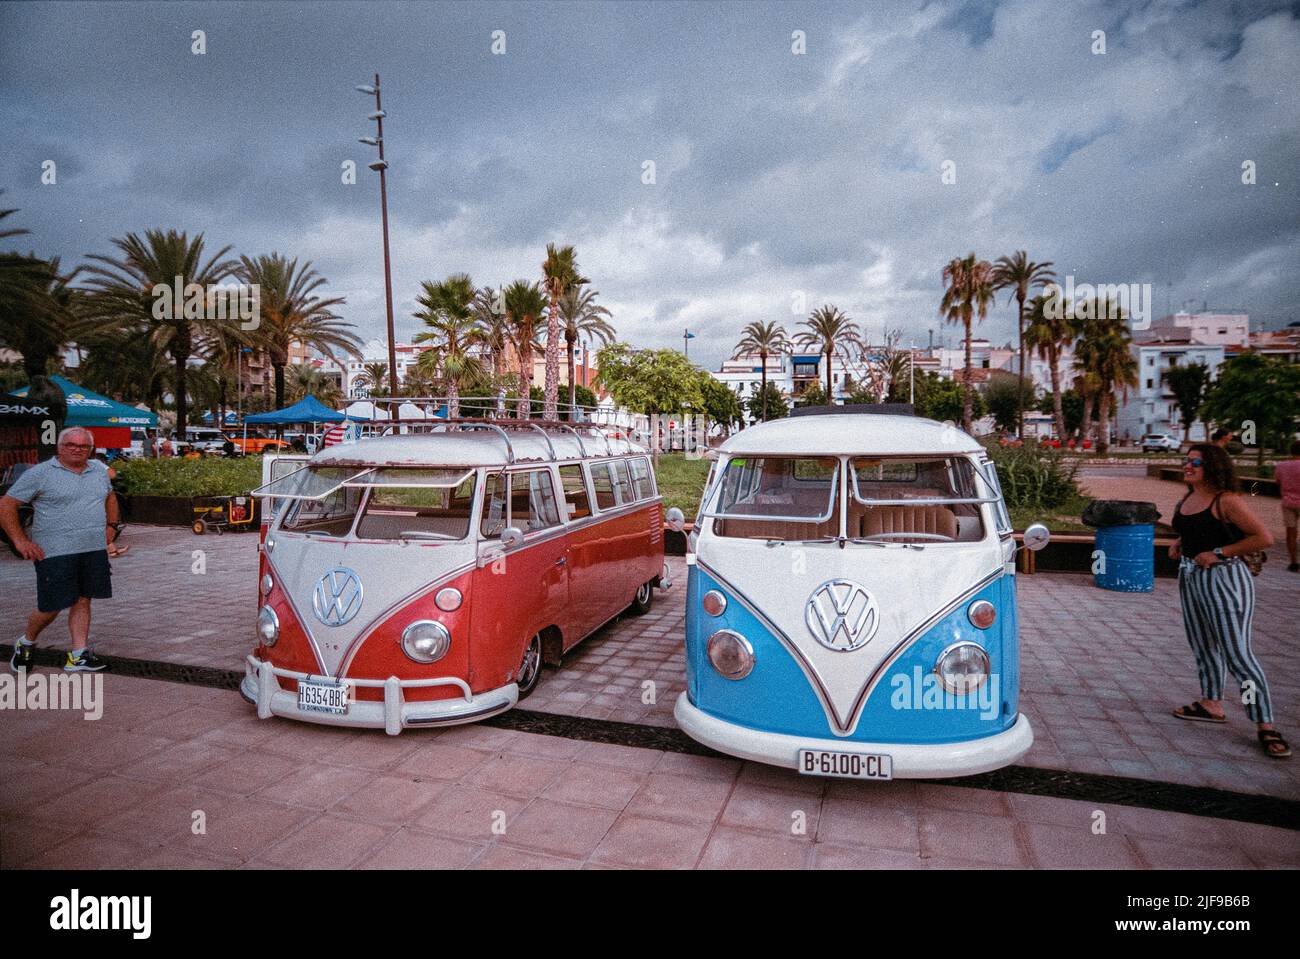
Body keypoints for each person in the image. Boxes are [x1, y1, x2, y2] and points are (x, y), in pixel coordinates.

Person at [1170, 444, 1288, 758]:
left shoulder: (1228, 500)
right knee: (1203, 644)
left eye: (1195, 461)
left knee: (1238, 653)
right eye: (1186, 460)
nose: (1188, 465)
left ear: (1213, 466)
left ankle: (1266, 724)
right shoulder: (1190, 496)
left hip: (1224, 579)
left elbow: (1263, 537)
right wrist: (1181, 543)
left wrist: (1220, 552)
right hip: (1192, 576)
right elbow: (1196, 529)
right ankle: (1211, 703)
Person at [0, 427, 121, 673]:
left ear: (91, 449)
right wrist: (20, 541)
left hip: (92, 548)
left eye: (83, 446)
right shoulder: (40, 473)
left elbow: (110, 495)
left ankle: (78, 656)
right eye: (70, 445)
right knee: (52, 605)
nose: (77, 449)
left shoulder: (98, 470)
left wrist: (111, 526)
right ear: (59, 446)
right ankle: (26, 642)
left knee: (83, 599)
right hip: (54, 551)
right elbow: (7, 504)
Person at [1276, 440, 1300, 573]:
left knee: (1291, 533)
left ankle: (1293, 562)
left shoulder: (1281, 466)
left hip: (1288, 502)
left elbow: (1278, 481)